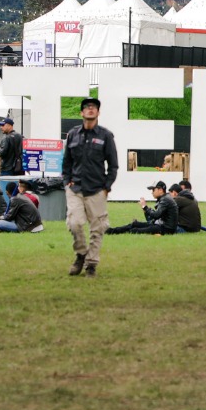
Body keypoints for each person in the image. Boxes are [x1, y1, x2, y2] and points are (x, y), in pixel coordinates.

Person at [62, 96, 118, 276]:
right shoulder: (73, 135)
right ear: (81, 112)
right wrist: (67, 182)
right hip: (75, 188)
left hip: (96, 190)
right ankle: (80, 254)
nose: (91, 109)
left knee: (98, 228)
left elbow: (113, 165)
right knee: (74, 223)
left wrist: (106, 187)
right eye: (87, 107)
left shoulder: (106, 136)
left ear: (98, 112)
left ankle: (91, 264)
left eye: (94, 107)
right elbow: (66, 163)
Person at [110, 180, 178, 235]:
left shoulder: (165, 200)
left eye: (153, 190)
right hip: (161, 226)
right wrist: (146, 209)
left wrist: (145, 207)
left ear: (160, 190)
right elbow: (156, 216)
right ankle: (111, 231)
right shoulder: (165, 198)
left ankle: (112, 232)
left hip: (165, 229)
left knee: (134, 230)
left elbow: (156, 215)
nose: (152, 192)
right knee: (134, 224)